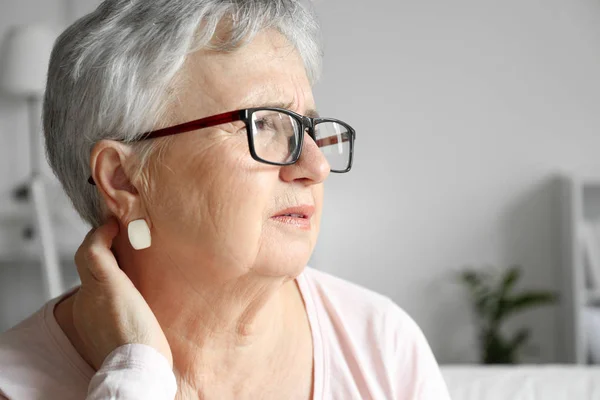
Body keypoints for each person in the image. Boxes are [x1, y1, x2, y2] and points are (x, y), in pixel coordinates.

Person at [0, 0, 450, 398]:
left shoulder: (381, 346)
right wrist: (136, 373)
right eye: (264, 124)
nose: (315, 167)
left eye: (306, 128)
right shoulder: (14, 382)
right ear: (124, 180)